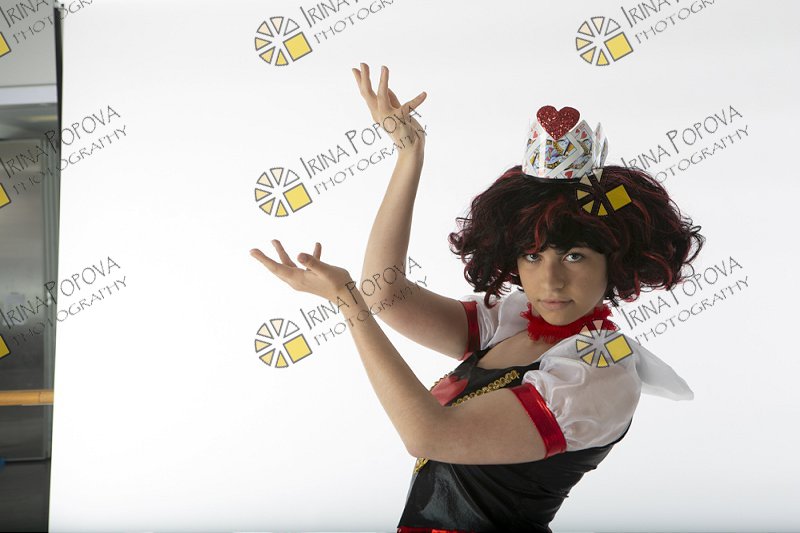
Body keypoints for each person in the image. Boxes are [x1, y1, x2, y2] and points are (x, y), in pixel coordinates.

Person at [250, 64, 705, 532]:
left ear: (615, 259)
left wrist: (348, 304)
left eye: (574, 256)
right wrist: (409, 154)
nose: (550, 281)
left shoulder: (598, 371)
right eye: (532, 255)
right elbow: (386, 293)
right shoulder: (514, 321)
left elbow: (428, 434)